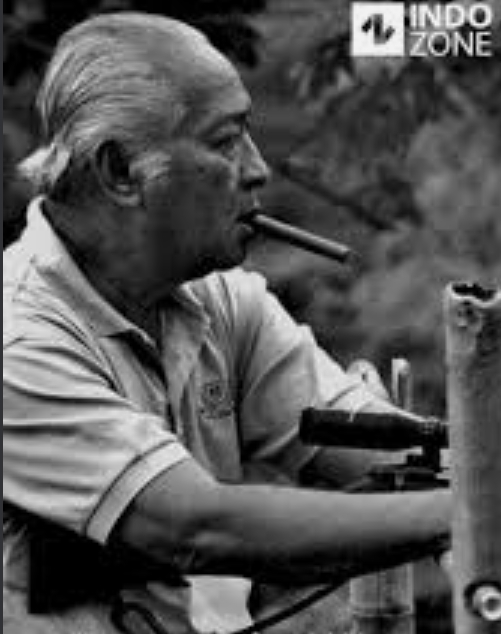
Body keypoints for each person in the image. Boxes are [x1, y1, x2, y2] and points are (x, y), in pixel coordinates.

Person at [3, 12, 451, 634]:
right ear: (121, 172)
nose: (257, 168)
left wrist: (469, 479)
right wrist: (468, 510)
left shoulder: (222, 301)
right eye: (224, 141)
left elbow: (387, 455)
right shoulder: (18, 340)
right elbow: (196, 526)